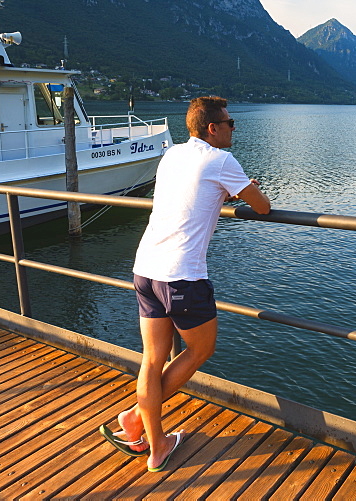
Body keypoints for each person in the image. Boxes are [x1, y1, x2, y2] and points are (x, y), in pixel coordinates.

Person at [99, 96, 270, 472]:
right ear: (213, 128)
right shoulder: (222, 161)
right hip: (182, 276)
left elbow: (189, 195)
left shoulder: (172, 154)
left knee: (152, 359)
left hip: (145, 268)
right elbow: (263, 207)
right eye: (229, 122)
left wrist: (224, 189)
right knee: (199, 350)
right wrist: (243, 187)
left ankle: (145, 432)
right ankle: (136, 420)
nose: (232, 128)